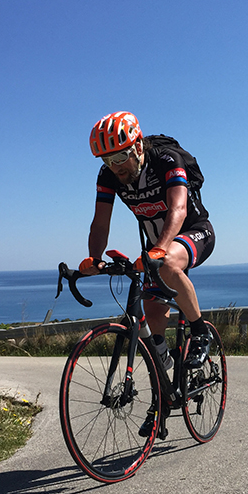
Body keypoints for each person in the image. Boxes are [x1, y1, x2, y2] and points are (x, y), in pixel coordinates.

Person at [80, 110, 214, 368]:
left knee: (168, 264)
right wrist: (94, 258)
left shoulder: (166, 160)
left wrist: (160, 248)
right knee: (152, 319)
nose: (115, 166)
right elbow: (100, 223)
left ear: (138, 146)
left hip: (195, 232)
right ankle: (164, 374)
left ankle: (200, 332)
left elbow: (178, 209)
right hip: (156, 249)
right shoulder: (108, 175)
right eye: (107, 160)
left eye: (121, 156)